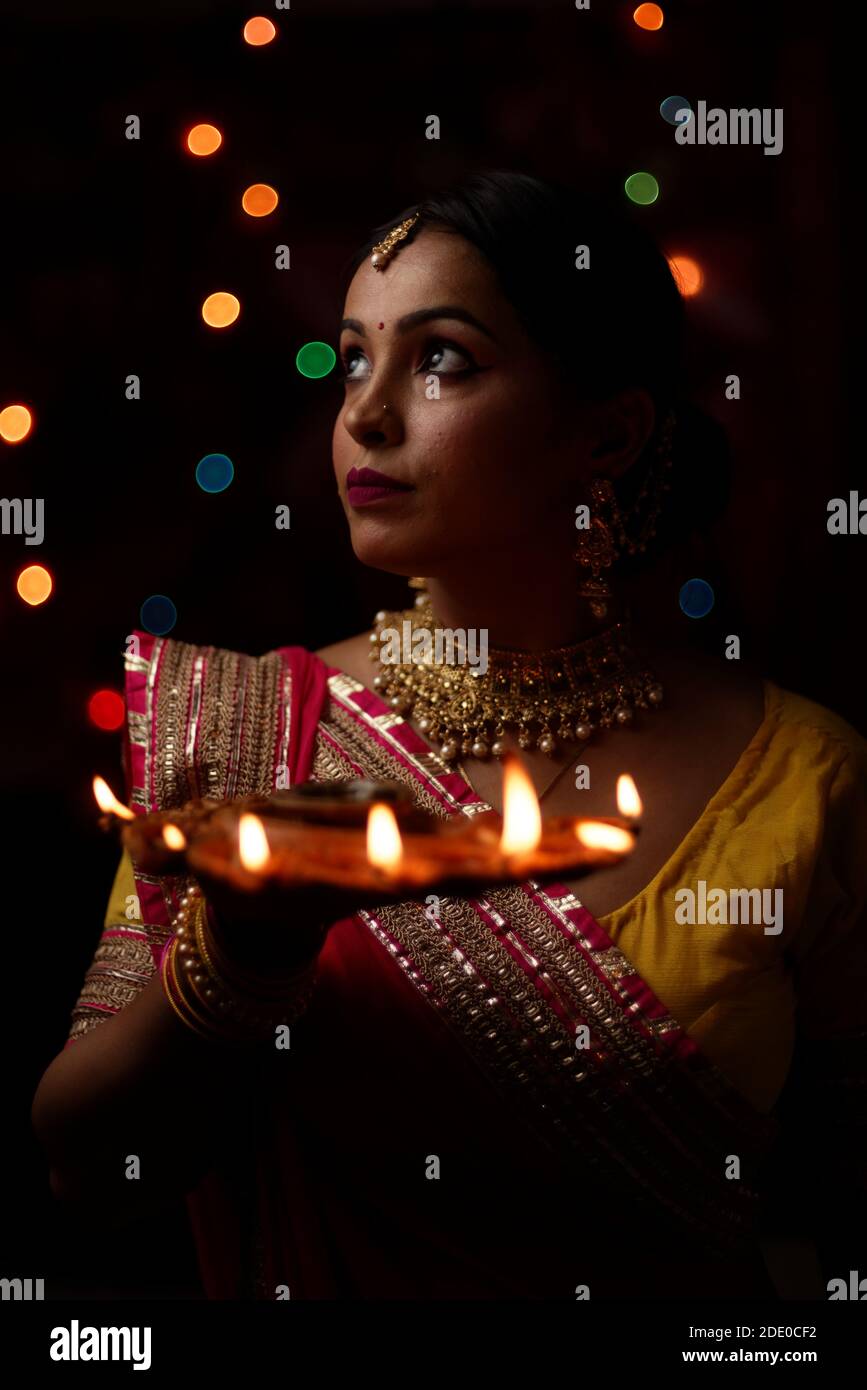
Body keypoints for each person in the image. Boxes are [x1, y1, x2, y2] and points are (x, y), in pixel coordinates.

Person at [32, 170, 867, 1300]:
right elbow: (91, 1165)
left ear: (607, 434)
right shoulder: (245, 732)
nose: (365, 414)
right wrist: (248, 949)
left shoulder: (804, 778)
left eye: (441, 359)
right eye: (355, 355)